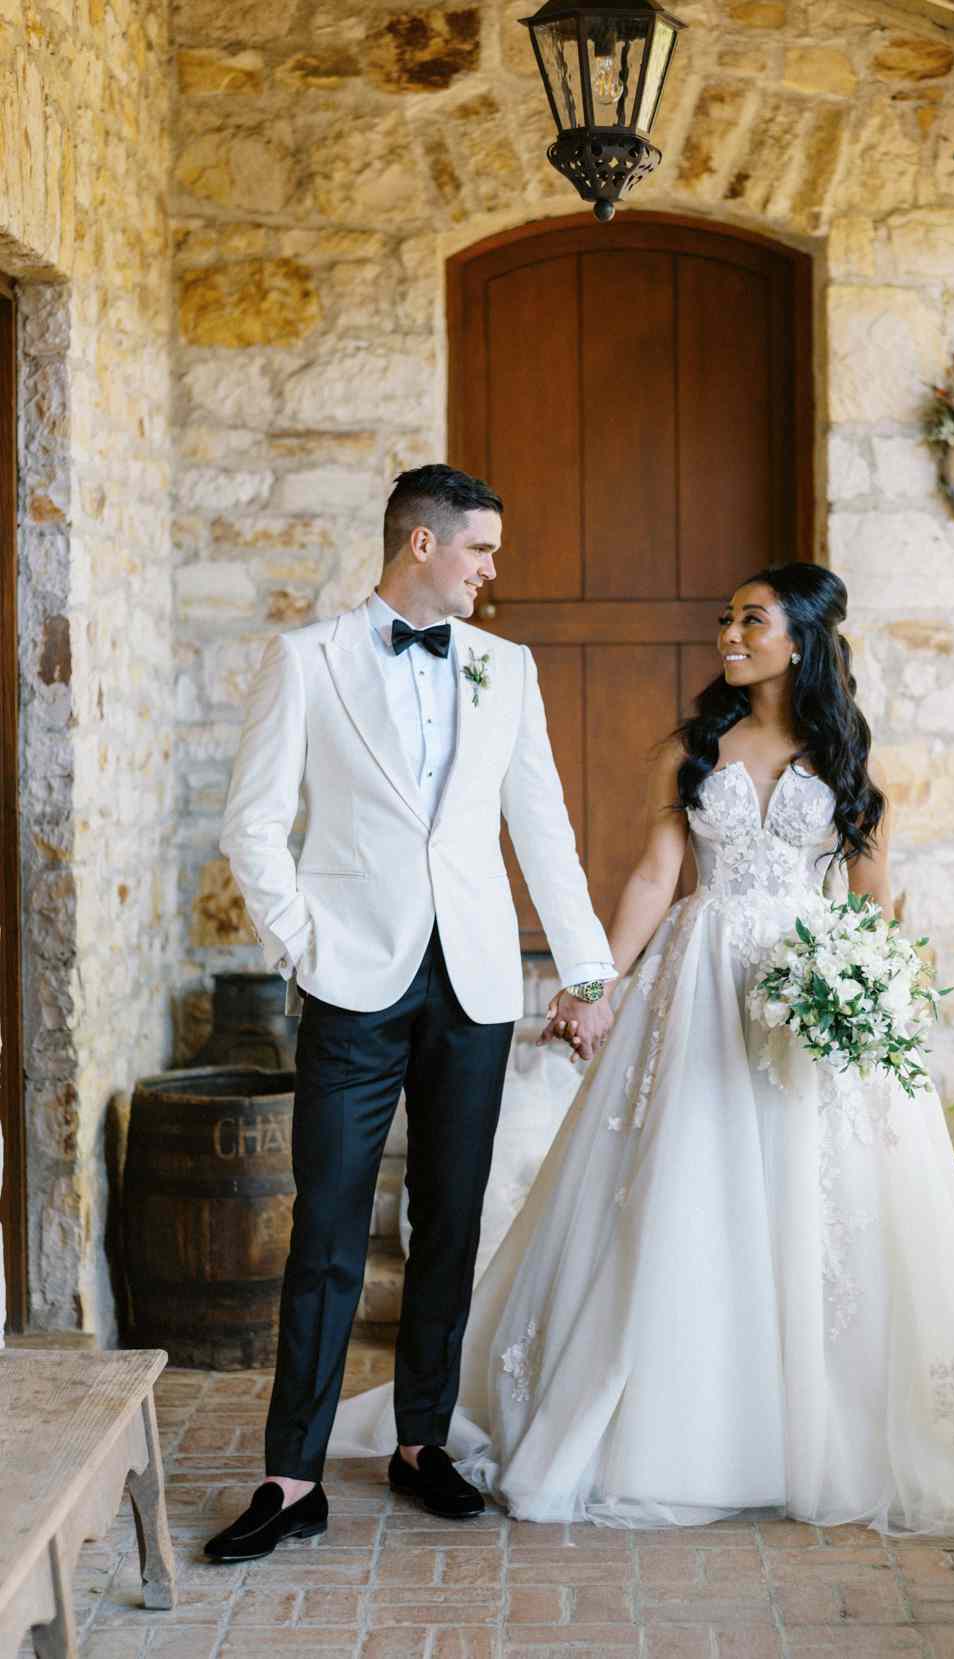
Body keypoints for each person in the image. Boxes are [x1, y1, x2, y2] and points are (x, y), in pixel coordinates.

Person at [330, 561, 954, 1536]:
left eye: (750, 620)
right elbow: (652, 875)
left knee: (814, 1204)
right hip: (697, 989)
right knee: (686, 1192)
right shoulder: (691, 749)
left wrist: (870, 989)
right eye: (725, 618)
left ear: (800, 639)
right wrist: (591, 980)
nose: (728, 633)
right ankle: (662, 1422)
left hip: (811, 998)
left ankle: (807, 1429)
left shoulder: (846, 760)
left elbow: (873, 897)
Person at [205, 465, 617, 1562]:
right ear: (421, 545)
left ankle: (420, 1443)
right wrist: (305, 946)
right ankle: (289, 1478)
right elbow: (252, 825)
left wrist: (584, 971)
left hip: (473, 984)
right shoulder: (307, 660)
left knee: (449, 1221)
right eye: (479, 549)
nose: (492, 570)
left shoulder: (505, 667)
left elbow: (542, 825)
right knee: (327, 1232)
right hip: (351, 981)